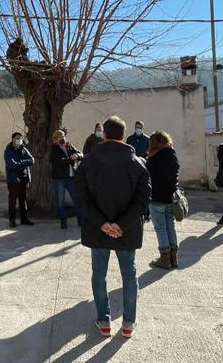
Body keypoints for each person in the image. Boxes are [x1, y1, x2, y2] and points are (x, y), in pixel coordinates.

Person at [74, 116, 151, 338]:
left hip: (97, 230)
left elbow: (81, 196)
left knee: (99, 274)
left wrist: (103, 224)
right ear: (124, 134)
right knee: (129, 274)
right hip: (127, 231)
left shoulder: (88, 162)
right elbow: (143, 200)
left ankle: (104, 321)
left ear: (104, 134)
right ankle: (128, 323)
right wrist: (120, 225)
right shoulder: (137, 163)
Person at [146, 131, 180, 270]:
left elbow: (148, 177)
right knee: (170, 226)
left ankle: (165, 259)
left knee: (160, 228)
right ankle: (174, 258)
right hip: (171, 197)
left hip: (157, 198)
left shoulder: (153, 159)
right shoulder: (172, 154)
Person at [49, 129, 83, 229]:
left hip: (71, 178)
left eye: (63, 136)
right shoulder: (53, 149)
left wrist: (77, 155)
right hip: (59, 179)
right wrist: (71, 159)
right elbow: (59, 162)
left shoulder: (69, 146)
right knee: (60, 202)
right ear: (55, 140)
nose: (63, 138)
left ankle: (80, 220)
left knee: (77, 199)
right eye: (60, 137)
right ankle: (63, 221)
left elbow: (81, 154)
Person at [4, 132, 35, 227]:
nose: (19, 140)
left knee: (23, 199)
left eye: (20, 138)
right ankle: (12, 220)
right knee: (13, 201)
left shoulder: (23, 149)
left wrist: (21, 162)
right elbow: (11, 165)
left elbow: (32, 160)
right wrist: (24, 164)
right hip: (13, 179)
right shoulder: (8, 151)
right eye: (17, 138)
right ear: (12, 139)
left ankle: (24, 219)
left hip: (24, 178)